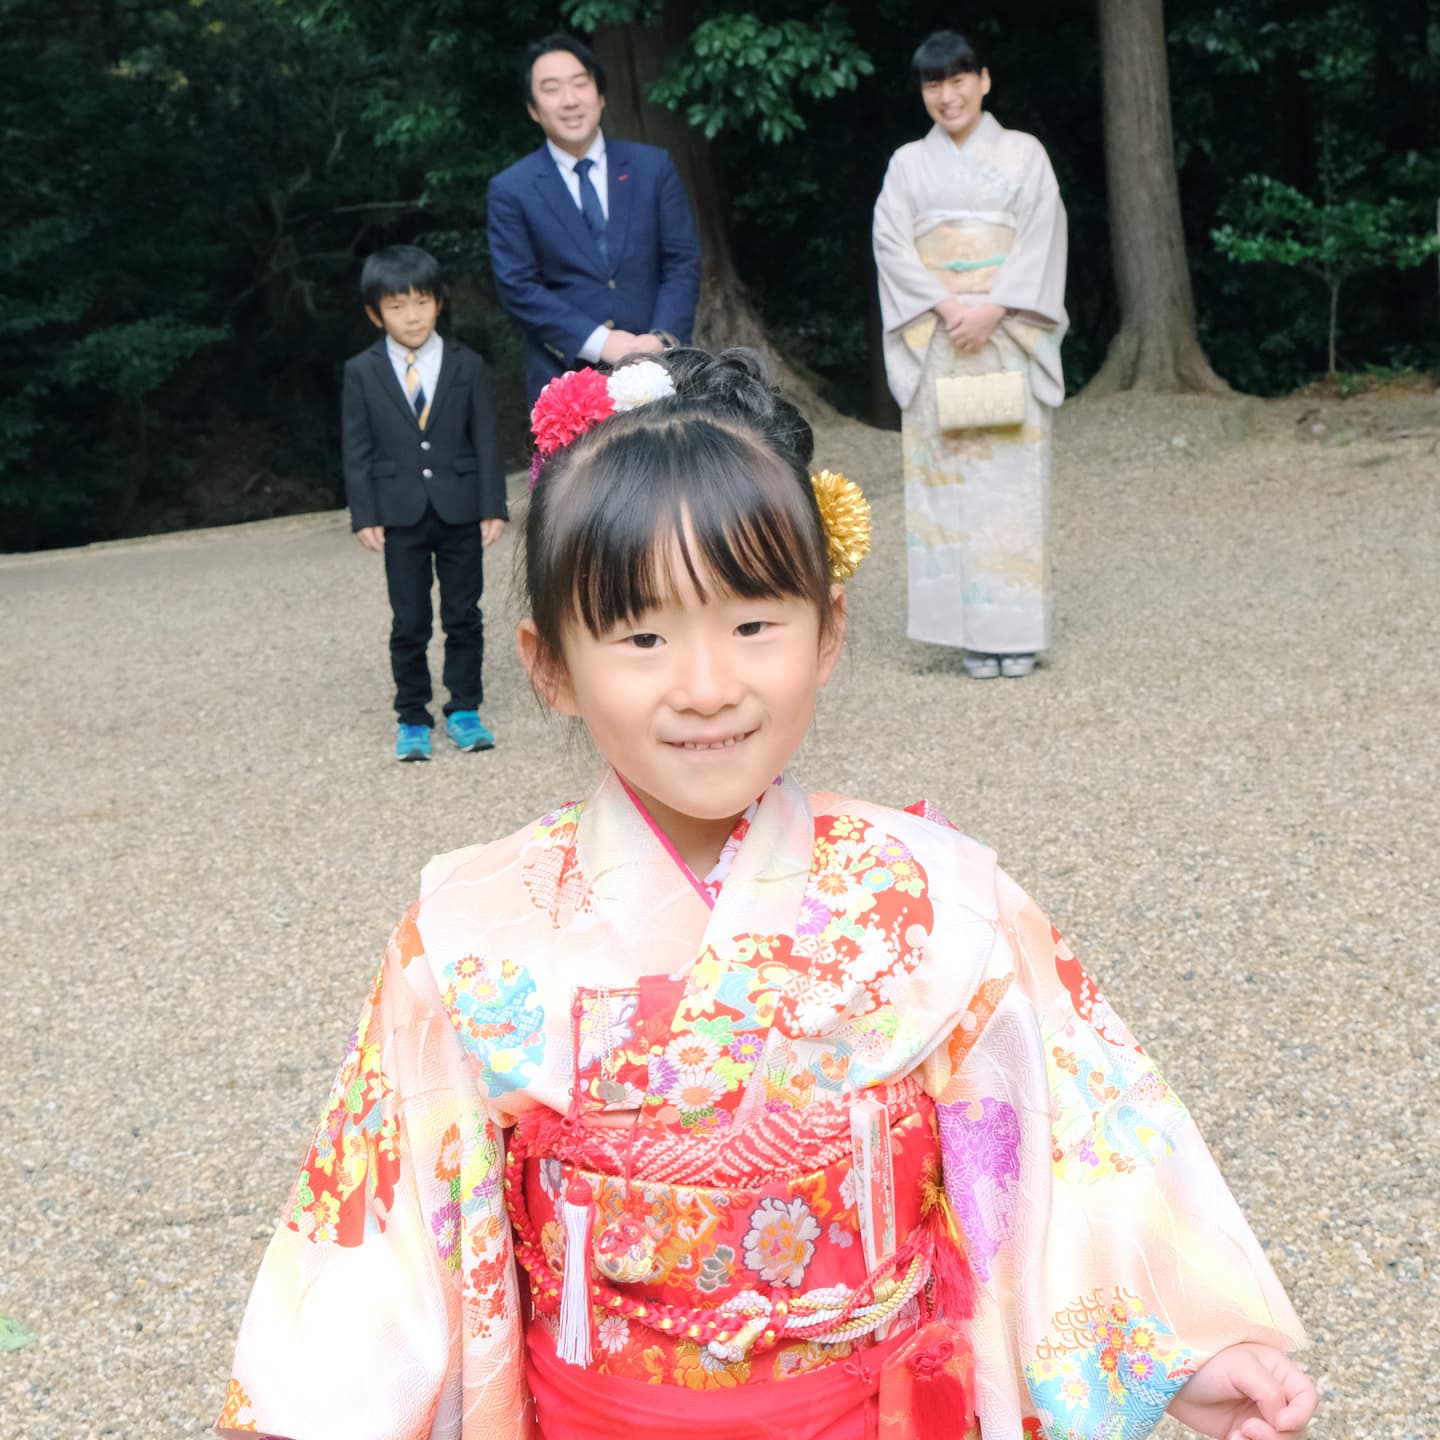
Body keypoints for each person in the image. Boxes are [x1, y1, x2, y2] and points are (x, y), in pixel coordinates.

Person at [218, 349, 1315, 1440]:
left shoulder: (937, 902)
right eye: (641, 636)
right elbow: (391, 1239)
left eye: (753, 624)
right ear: (548, 662)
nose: (707, 686)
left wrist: (1187, 1352)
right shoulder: (466, 935)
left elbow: (1066, 1140)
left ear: (830, 629)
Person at [873, 30, 1069, 680]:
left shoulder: (1024, 154)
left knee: (1008, 486)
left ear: (984, 80)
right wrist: (949, 304)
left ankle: (1015, 629)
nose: (948, 94)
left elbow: (1043, 234)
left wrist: (995, 305)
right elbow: (891, 245)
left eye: (959, 80)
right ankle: (965, 634)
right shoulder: (907, 164)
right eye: (935, 84)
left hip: (1007, 334)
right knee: (947, 484)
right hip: (939, 339)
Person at [342, 244, 508, 761]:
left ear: (439, 302)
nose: (410, 315)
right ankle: (412, 714)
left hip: (460, 509)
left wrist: (493, 504)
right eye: (396, 305)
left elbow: (485, 438)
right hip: (399, 514)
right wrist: (364, 513)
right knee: (408, 619)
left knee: (464, 614)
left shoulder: (467, 363)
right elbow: (357, 447)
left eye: (420, 301)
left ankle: (464, 708)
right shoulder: (362, 371)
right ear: (375, 314)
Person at [487, 32, 702, 406]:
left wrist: (660, 339)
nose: (569, 101)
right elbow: (518, 286)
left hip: (665, 368)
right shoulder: (511, 189)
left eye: (580, 84)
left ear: (600, 96)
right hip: (565, 377)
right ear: (533, 109)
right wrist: (603, 343)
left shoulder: (653, 167)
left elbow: (681, 262)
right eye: (551, 89)